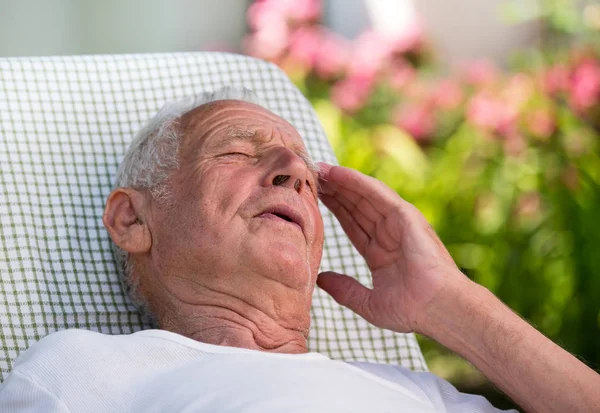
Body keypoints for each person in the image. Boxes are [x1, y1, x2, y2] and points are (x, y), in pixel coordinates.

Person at [0, 87, 598, 413]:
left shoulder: (419, 394)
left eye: (307, 173)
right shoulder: (81, 373)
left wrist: (453, 305)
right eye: (237, 151)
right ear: (132, 219)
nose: (294, 169)